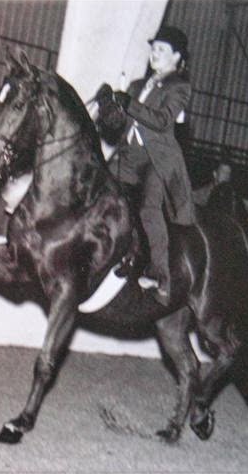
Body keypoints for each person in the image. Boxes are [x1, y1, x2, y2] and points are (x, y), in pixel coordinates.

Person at [97, 26, 196, 306]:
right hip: (129, 155)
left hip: (157, 160)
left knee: (148, 208)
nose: (154, 53)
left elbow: (162, 121)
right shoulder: (137, 85)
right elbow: (117, 125)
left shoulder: (179, 87)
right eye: (153, 49)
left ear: (176, 57)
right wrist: (108, 107)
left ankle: (160, 276)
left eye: (161, 50)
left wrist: (129, 103)